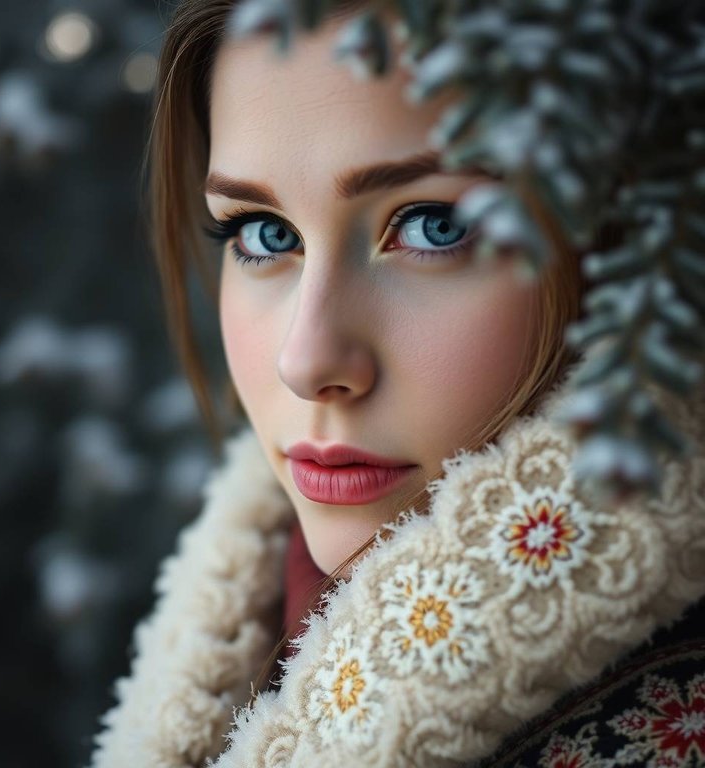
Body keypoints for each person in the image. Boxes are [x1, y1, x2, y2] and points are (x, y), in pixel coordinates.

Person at [88, 2, 705, 767]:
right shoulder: (247, 610)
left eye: (433, 226)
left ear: (639, 229)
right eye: (263, 234)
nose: (306, 360)